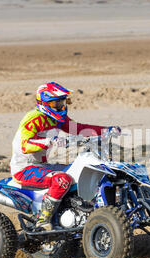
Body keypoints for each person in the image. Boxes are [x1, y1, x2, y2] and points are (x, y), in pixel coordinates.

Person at [10, 82, 120, 231]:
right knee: (62, 180)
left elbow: (78, 128)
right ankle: (43, 220)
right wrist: (50, 141)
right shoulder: (34, 119)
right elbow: (25, 145)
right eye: (57, 103)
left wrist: (105, 130)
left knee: (78, 172)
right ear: (45, 102)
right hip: (24, 168)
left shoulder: (56, 119)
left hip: (43, 166)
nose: (62, 106)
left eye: (63, 102)